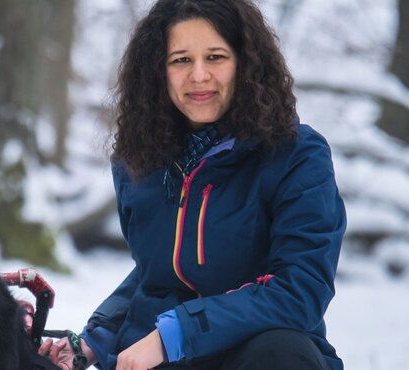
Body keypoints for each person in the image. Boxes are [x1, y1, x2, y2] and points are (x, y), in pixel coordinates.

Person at [38, 0, 346, 369]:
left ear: (245, 64)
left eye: (215, 57)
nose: (198, 76)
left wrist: (177, 333)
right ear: (158, 72)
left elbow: (300, 291)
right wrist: (94, 340)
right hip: (163, 356)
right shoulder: (139, 160)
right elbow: (155, 274)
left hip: (259, 354)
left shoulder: (297, 155)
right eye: (181, 60)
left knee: (281, 353)